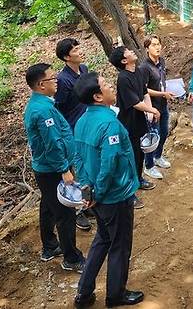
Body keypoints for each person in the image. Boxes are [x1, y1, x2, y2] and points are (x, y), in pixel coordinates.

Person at [72, 72, 144, 308]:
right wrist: (99, 193)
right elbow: (110, 163)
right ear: (98, 96)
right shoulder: (109, 123)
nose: (111, 86)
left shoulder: (82, 121)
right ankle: (115, 295)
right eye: (105, 85)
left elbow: (78, 157)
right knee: (119, 245)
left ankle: (84, 293)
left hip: (97, 196)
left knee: (102, 239)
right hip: (114, 196)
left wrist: (87, 192)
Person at [22, 63, 86, 273]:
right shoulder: (42, 111)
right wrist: (64, 169)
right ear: (41, 85)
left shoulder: (42, 104)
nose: (56, 81)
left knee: (48, 205)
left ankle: (49, 246)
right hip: (52, 170)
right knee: (65, 213)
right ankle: (71, 258)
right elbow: (52, 143)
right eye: (52, 78)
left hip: (47, 168)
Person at [108, 46, 161, 209]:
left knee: (139, 154)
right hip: (127, 124)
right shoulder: (123, 78)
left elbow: (144, 93)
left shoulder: (137, 71)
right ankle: (129, 193)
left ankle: (139, 180)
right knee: (129, 158)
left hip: (140, 121)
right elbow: (135, 103)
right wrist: (151, 110)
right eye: (128, 52)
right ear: (124, 61)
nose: (131, 51)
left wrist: (150, 111)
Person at [53, 38, 92, 232]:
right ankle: (78, 210)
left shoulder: (84, 69)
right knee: (76, 167)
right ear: (67, 56)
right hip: (73, 129)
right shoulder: (63, 79)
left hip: (88, 126)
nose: (80, 51)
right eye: (75, 50)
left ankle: (88, 201)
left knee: (87, 164)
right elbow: (59, 108)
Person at [138, 35, 175, 180]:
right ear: (147, 48)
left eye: (158, 44)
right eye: (153, 45)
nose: (157, 47)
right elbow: (144, 89)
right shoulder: (144, 67)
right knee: (153, 136)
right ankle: (148, 166)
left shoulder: (162, 62)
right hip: (151, 107)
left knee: (164, 132)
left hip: (163, 105)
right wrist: (162, 93)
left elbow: (162, 81)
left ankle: (158, 157)